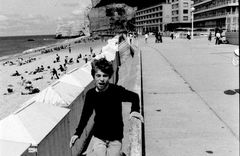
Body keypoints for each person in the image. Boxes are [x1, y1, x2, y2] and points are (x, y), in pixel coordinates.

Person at [69, 58, 143, 156]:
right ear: (93, 76)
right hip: (99, 135)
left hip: (115, 136)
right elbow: (85, 115)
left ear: (109, 76)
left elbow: (134, 97)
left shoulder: (116, 91)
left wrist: (134, 111)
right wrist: (77, 133)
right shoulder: (91, 94)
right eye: (98, 75)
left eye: (105, 76)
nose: (101, 79)